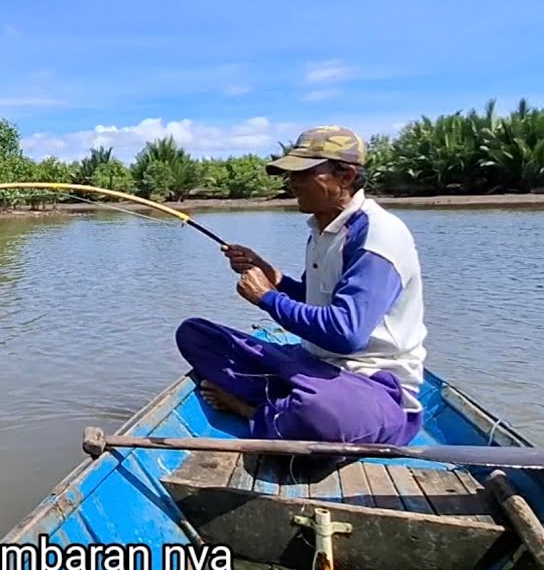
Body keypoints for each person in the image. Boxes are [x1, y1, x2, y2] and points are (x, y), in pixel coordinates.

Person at [174, 125, 427, 445]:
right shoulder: (323, 231)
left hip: (373, 384)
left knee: (317, 411)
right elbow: (313, 301)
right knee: (196, 334)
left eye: (305, 172)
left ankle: (252, 411)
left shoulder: (379, 235)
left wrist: (266, 297)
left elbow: (346, 334)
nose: (292, 181)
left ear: (346, 176)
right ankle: (287, 399)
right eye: (290, 173)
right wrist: (269, 274)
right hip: (315, 364)